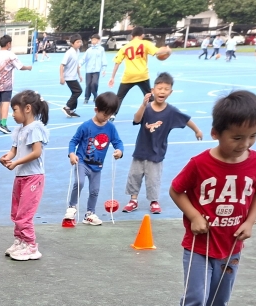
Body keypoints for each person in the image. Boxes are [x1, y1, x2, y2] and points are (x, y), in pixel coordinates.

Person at [167, 90, 256, 306]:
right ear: (216, 133)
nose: (244, 144)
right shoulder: (200, 163)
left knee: (220, 296)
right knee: (196, 296)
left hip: (232, 246)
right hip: (200, 246)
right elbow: (176, 190)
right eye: (237, 137)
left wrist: (250, 222)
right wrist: (194, 215)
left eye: (253, 136)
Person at [123, 72, 203, 215]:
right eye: (159, 88)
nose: (162, 91)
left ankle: (154, 201)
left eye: (166, 89)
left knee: (153, 178)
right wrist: (143, 105)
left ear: (170, 92)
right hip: (141, 150)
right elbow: (136, 119)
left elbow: (186, 120)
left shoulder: (171, 111)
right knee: (134, 175)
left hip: (157, 152)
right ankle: (133, 200)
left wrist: (197, 130)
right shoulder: (147, 108)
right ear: (153, 90)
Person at [0, 90, 49, 261]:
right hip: (21, 177)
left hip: (33, 177)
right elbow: (14, 151)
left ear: (27, 108)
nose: (12, 114)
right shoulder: (19, 130)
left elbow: (36, 152)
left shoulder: (35, 129)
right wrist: (7, 158)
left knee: (25, 214)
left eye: (14, 110)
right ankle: (20, 240)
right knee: (16, 211)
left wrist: (16, 163)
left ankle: (31, 245)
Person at [64, 92, 123, 227]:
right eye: (105, 114)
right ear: (96, 110)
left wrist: (119, 151)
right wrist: (71, 154)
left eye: (110, 115)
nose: (107, 117)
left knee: (95, 191)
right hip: (82, 162)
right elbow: (73, 141)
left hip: (97, 166)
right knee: (79, 182)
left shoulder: (110, 127)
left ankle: (89, 214)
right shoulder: (86, 126)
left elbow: (118, 142)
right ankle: (72, 207)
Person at [108, 26, 169, 102]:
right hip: (142, 75)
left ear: (132, 36)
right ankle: (154, 109)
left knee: (119, 97)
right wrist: (167, 50)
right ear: (142, 35)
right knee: (149, 96)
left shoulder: (125, 47)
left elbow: (117, 63)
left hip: (129, 76)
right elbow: (158, 52)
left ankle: (113, 110)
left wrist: (112, 77)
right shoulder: (146, 44)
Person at [0, 34, 31, 135]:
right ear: (8, 44)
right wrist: (28, 67)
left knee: (0, 103)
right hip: (5, 81)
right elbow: (20, 66)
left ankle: (1, 122)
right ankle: (3, 124)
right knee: (6, 102)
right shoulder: (10, 55)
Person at [59, 34, 84, 117]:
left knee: (75, 92)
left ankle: (71, 110)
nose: (79, 43)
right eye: (77, 42)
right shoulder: (69, 53)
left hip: (74, 76)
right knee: (78, 91)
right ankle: (67, 107)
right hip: (69, 76)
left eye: (80, 42)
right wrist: (62, 77)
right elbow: (62, 65)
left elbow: (76, 65)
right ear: (72, 43)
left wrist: (79, 75)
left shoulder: (77, 51)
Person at [81, 35, 106, 105]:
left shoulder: (101, 49)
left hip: (96, 70)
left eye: (95, 39)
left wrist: (104, 68)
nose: (93, 41)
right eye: (92, 40)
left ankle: (95, 95)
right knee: (88, 85)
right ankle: (86, 97)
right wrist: (80, 64)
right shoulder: (89, 50)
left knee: (94, 83)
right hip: (89, 70)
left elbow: (103, 59)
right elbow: (84, 58)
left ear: (98, 40)